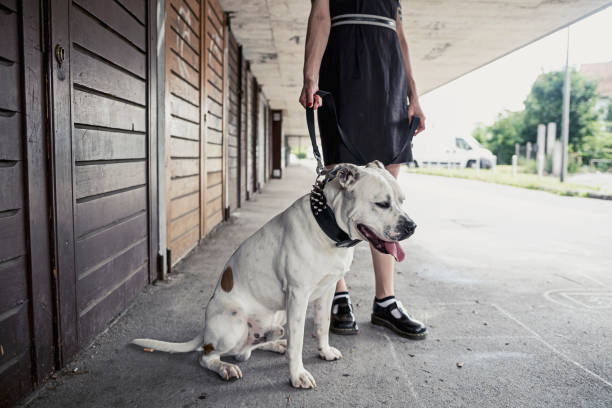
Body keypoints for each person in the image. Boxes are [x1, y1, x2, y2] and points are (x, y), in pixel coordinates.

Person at [299, 0, 427, 338]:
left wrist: (414, 94)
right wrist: (310, 76)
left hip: (390, 78)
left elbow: (400, 34)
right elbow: (321, 16)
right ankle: (337, 293)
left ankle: (385, 301)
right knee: (340, 194)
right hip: (343, 72)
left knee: (386, 196)